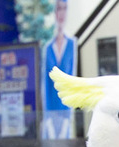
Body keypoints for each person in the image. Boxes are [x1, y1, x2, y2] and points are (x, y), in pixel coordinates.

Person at [42, 0, 77, 139]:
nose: (61, 13)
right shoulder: (48, 48)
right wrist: (47, 116)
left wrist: (69, 115)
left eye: (64, 9)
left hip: (66, 111)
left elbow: (73, 81)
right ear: (55, 12)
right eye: (59, 9)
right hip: (50, 111)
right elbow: (45, 83)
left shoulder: (72, 44)